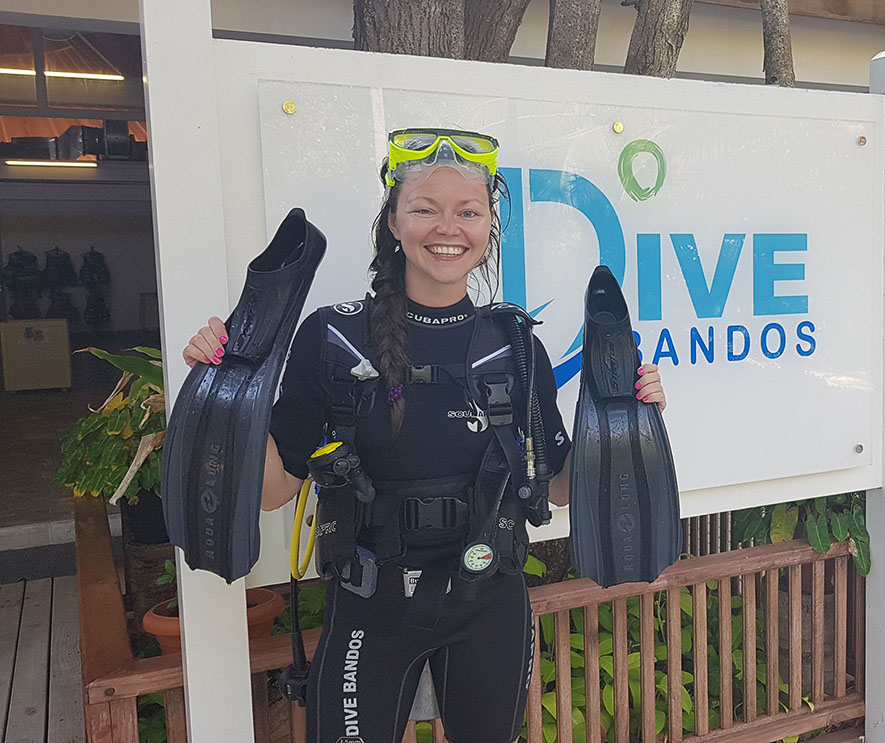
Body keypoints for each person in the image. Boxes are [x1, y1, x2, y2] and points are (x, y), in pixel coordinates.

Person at [182, 127, 667, 742]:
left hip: (488, 599)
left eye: (468, 211)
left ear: (490, 225)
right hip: (368, 604)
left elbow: (562, 486)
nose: (448, 228)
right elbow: (271, 489)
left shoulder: (517, 346)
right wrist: (226, 399)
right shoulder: (333, 338)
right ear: (393, 222)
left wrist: (624, 422)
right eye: (425, 209)